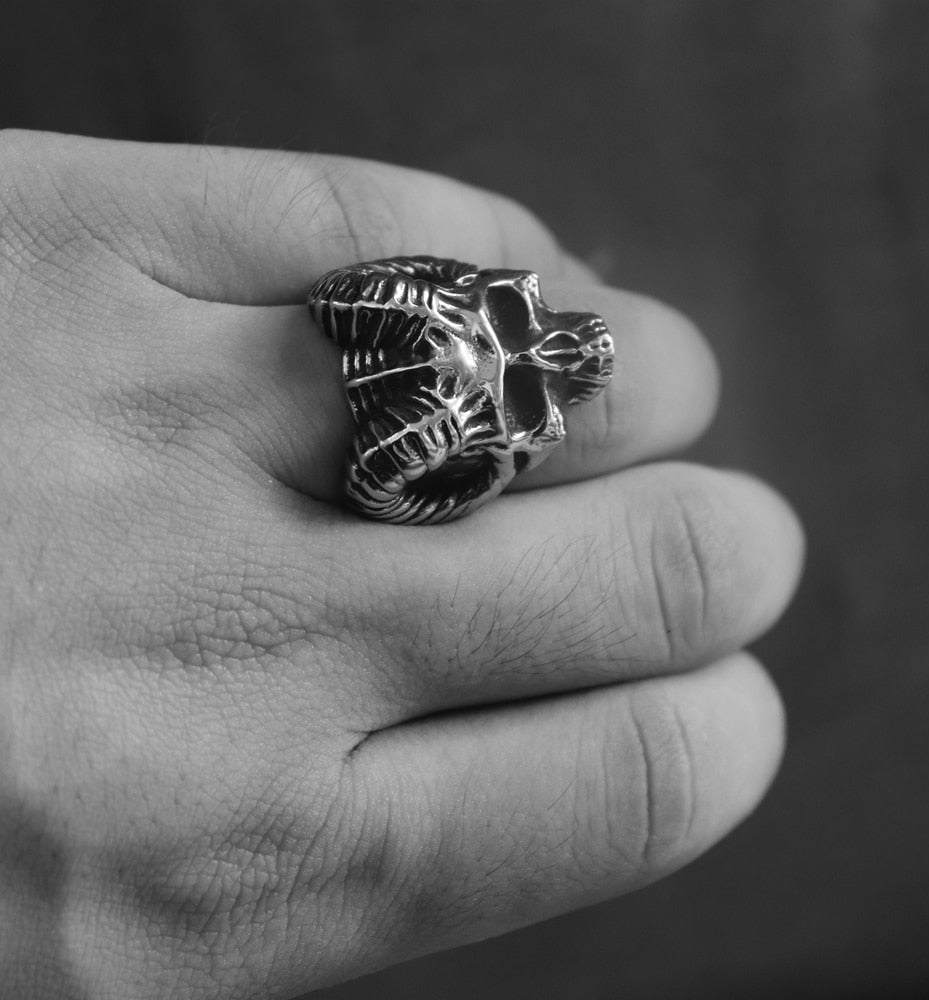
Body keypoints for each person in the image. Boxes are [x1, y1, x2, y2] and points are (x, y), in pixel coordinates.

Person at [0, 130, 803, 998]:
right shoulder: (510, 299)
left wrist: (445, 470)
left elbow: (453, 463)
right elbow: (354, 298)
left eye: (569, 363)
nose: (563, 354)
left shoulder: (526, 419)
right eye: (568, 342)